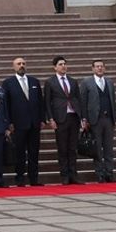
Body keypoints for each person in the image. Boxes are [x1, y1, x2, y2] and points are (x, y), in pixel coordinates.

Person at [3, 57, 46, 187]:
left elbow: (40, 102)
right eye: (18, 64)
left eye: (23, 63)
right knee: (19, 152)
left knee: (34, 152)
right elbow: (6, 104)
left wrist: (42, 119)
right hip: (18, 123)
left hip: (34, 123)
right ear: (14, 67)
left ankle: (34, 178)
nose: (21, 65)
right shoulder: (8, 83)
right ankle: (20, 178)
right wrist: (9, 122)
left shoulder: (34, 81)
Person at [43, 55, 82, 184]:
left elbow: (78, 98)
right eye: (60, 64)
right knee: (62, 148)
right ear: (55, 67)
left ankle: (73, 174)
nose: (63, 66)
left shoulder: (72, 81)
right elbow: (47, 102)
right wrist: (50, 119)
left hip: (73, 116)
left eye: (64, 64)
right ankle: (64, 175)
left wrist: (82, 117)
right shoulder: (50, 82)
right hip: (60, 118)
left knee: (72, 147)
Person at [79, 60, 116, 183]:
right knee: (97, 148)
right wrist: (84, 119)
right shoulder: (86, 82)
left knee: (108, 148)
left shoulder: (109, 82)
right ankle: (100, 173)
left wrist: (114, 118)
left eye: (101, 66)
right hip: (94, 120)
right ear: (93, 69)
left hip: (108, 119)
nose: (100, 68)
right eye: (97, 66)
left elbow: (112, 100)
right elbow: (83, 102)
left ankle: (109, 173)